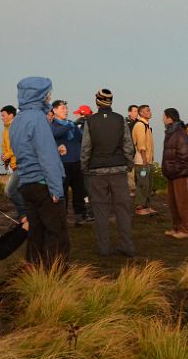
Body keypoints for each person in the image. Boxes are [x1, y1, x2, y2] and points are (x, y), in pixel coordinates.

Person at [8, 77, 69, 267]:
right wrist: (56, 190)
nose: (50, 97)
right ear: (40, 95)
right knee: (56, 234)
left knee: (36, 233)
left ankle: (35, 273)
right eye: (48, 93)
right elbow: (47, 158)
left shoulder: (17, 121)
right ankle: (56, 278)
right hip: (43, 184)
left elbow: (25, 151)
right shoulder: (38, 119)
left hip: (26, 183)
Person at [81, 88, 135, 257]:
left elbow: (85, 149)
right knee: (122, 209)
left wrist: (85, 167)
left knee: (100, 210)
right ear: (111, 102)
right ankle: (127, 246)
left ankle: (104, 249)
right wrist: (129, 164)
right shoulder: (120, 120)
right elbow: (128, 145)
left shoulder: (90, 121)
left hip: (97, 171)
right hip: (118, 169)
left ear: (97, 102)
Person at [50, 100, 89, 223]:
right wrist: (70, 126)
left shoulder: (71, 124)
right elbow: (56, 134)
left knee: (79, 190)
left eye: (66, 108)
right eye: (62, 108)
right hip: (63, 163)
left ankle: (80, 215)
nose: (66, 111)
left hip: (76, 162)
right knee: (63, 191)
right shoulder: (52, 125)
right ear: (54, 110)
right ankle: (63, 217)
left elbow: (81, 138)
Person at [161, 107, 188, 239]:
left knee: (181, 202)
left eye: (163, 116)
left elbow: (185, 156)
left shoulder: (179, 133)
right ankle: (176, 228)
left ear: (169, 118)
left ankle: (184, 229)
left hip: (179, 174)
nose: (162, 119)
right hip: (172, 173)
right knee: (172, 202)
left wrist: (175, 170)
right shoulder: (171, 132)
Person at [0, 104, 26, 217]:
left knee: (9, 190)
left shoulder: (17, 127)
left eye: (3, 115)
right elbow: (5, 146)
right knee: (20, 191)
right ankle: (24, 214)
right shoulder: (5, 130)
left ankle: (24, 212)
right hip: (14, 164)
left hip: (21, 164)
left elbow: (22, 145)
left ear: (11, 115)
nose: (1, 117)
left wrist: (9, 154)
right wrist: (5, 157)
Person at [132, 104, 156, 215]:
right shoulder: (140, 125)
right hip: (142, 161)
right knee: (142, 184)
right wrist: (144, 160)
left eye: (149, 110)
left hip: (148, 161)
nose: (150, 112)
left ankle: (146, 205)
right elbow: (141, 144)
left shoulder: (146, 125)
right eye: (147, 110)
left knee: (149, 184)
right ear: (141, 113)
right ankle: (139, 207)